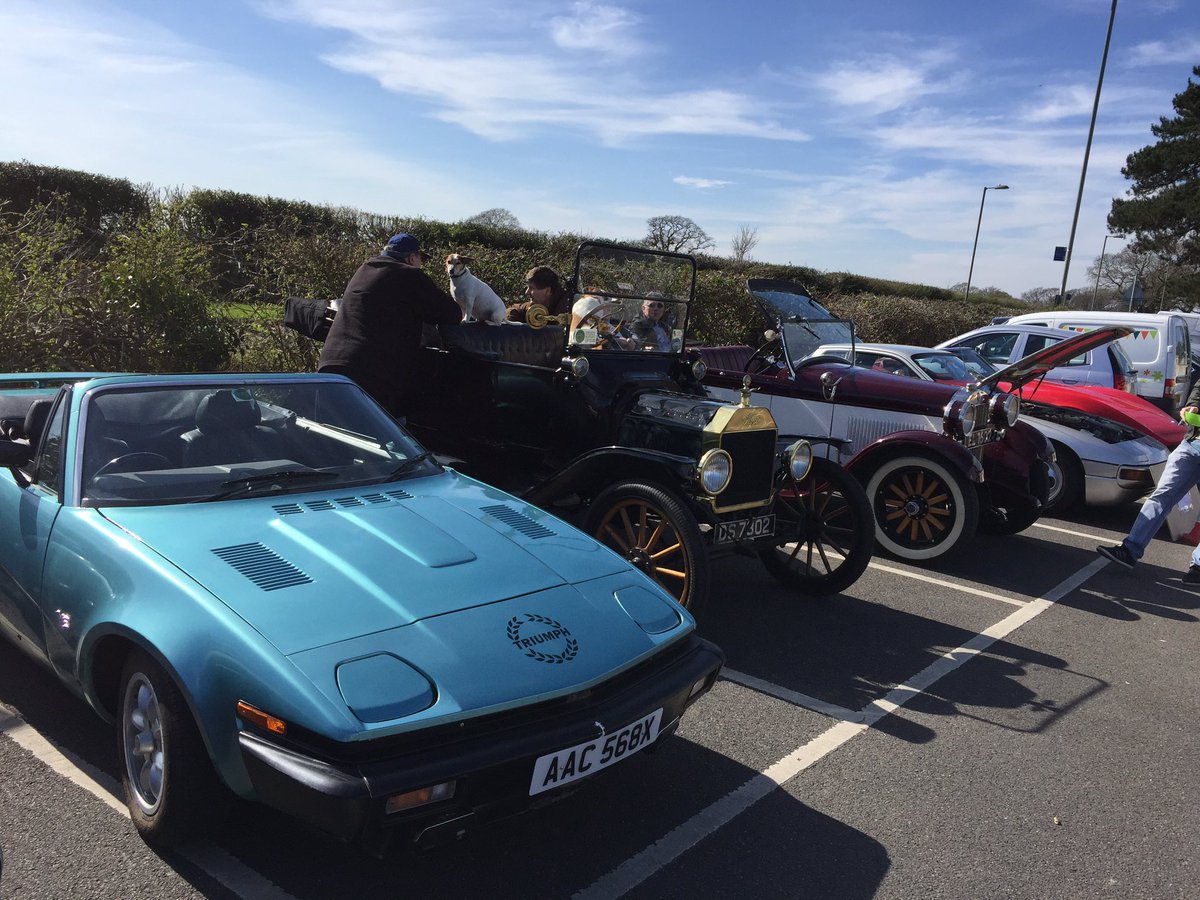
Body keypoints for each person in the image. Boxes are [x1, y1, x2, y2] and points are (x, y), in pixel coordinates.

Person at [318, 233, 462, 421]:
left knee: (333, 436)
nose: (421, 265)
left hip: (331, 367)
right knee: (380, 438)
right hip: (372, 375)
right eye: (420, 259)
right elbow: (451, 314)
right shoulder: (409, 275)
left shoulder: (365, 269)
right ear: (412, 258)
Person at [1098, 379, 1200, 582]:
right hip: (1192, 444)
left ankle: (1198, 567)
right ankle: (1130, 550)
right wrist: (1194, 405)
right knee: (1161, 495)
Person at [506, 266, 571, 323]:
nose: (526, 292)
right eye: (528, 287)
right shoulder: (535, 304)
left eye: (532, 288)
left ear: (547, 290)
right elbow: (515, 309)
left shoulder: (568, 309)